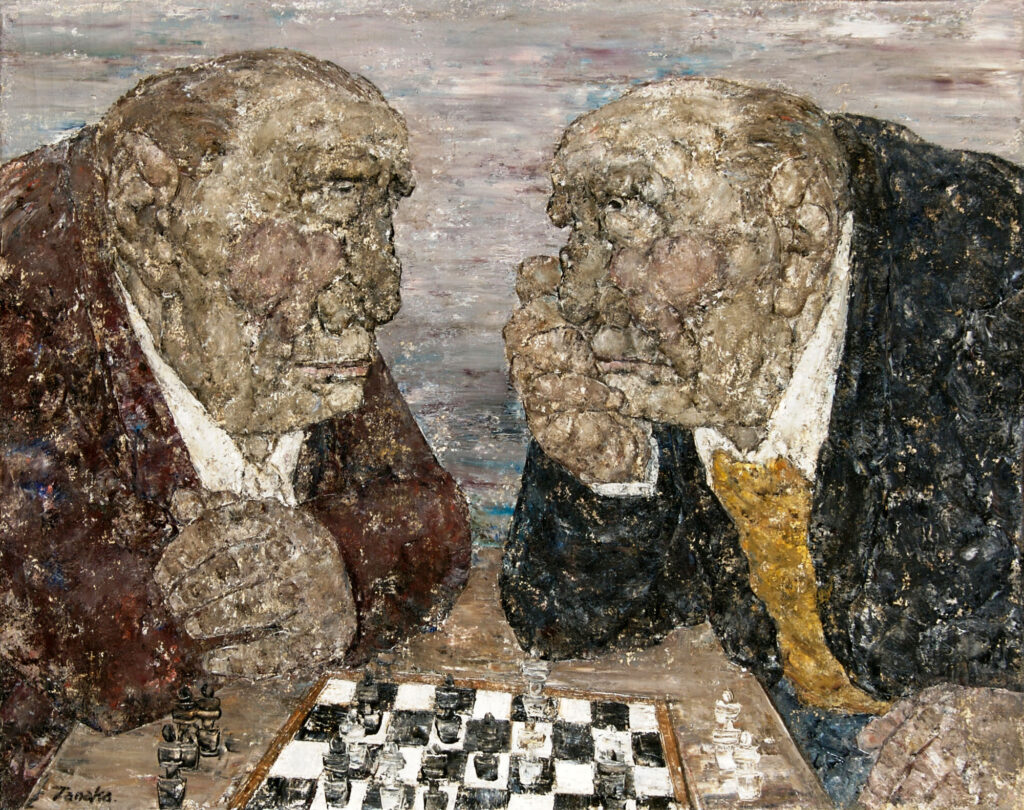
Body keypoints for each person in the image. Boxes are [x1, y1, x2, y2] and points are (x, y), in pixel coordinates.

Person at [502, 77, 1023, 807]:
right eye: (587, 238)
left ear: (799, 229)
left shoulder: (990, 288)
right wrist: (613, 471)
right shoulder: (660, 322)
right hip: (779, 725)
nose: (600, 289)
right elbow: (560, 624)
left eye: (649, 235)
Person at [0, 49, 471, 805]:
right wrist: (209, 607)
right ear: (151, 220)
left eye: (374, 216)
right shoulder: (25, 297)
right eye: (329, 213)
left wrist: (335, 562)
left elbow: (428, 511)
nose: (382, 292)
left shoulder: (289, 291)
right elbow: (83, 648)